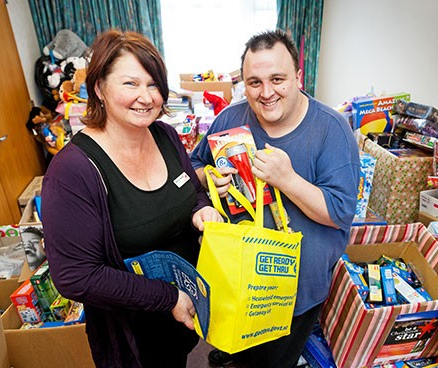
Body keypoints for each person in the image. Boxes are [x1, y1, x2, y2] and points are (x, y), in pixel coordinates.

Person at [41, 29, 223, 368]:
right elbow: (76, 276)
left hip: (183, 316)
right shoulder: (73, 171)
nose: (146, 96)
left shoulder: (165, 136)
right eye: (130, 84)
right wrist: (167, 298)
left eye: (153, 84)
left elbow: (192, 190)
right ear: (99, 89)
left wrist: (202, 209)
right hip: (131, 338)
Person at [190, 29, 360, 368]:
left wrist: (288, 180)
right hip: (235, 277)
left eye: (278, 79)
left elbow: (340, 213)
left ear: (297, 77)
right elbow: (195, 165)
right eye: (254, 82)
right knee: (233, 341)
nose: (266, 93)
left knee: (270, 361)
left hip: (293, 294)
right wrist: (211, 183)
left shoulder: (332, 129)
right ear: (243, 83)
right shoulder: (229, 118)